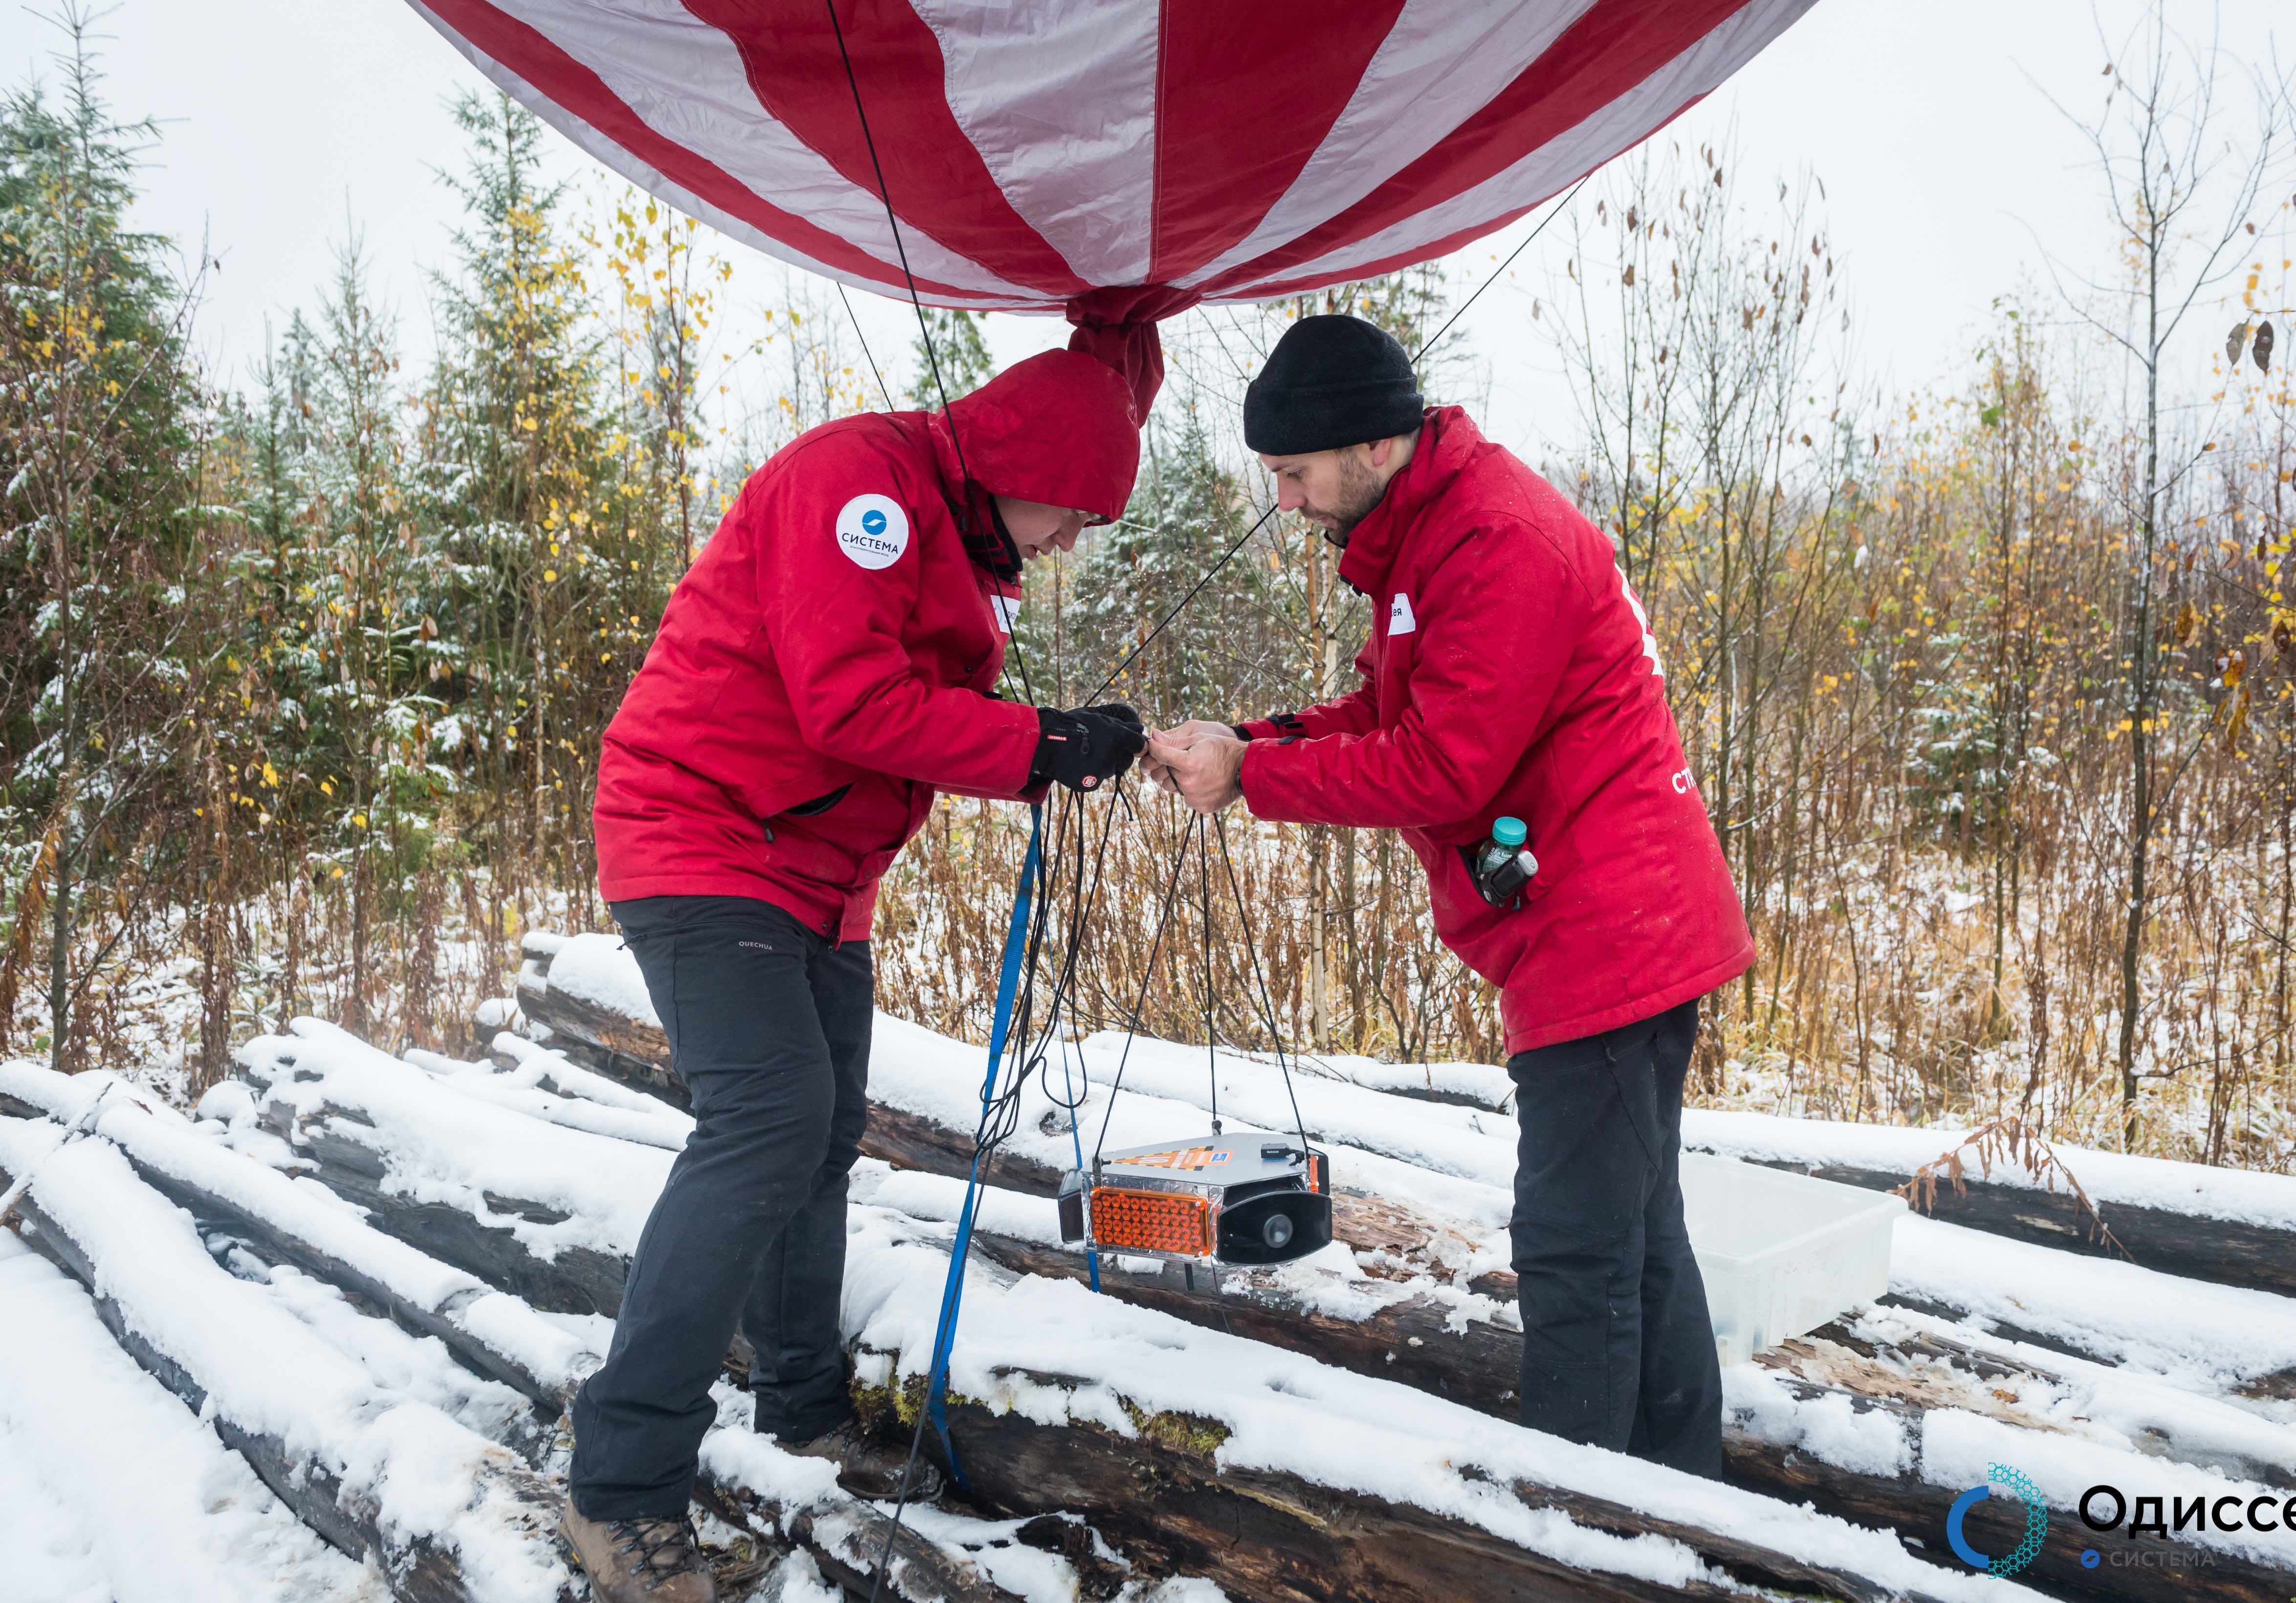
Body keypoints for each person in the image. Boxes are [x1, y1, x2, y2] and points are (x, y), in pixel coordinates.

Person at [562, 349, 1150, 1603]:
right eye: (1073, 512)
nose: (1067, 542)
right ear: (1022, 466)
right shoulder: (859, 487)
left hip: (820, 869)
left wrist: (1047, 740)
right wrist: (1036, 741)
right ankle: (620, 1483)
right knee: (767, 1123)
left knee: (818, 1135)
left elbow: (923, 708)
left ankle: (801, 1409)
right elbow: (850, 701)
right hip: (703, 833)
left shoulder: (965, 532)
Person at [1145, 314, 1753, 1482]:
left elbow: (1444, 765)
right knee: (1636, 1236)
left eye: (1294, 473)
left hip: (1610, 927)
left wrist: (1254, 776)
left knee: (1578, 1249)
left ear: (1372, 444)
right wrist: (1250, 740)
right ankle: (1679, 1499)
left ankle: (1577, 1523)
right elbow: (1396, 714)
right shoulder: (1434, 531)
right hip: (1598, 918)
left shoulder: (1495, 537)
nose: (1285, 500)